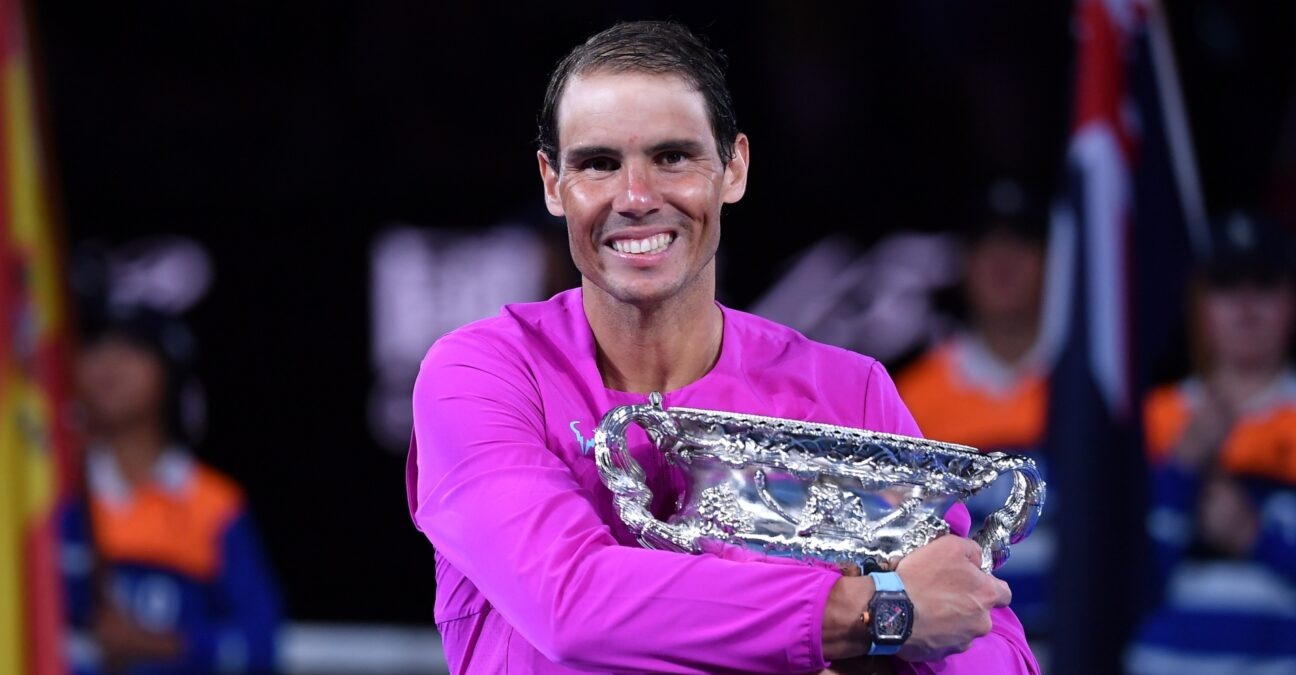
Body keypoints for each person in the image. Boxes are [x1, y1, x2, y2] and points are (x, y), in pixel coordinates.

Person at [406, 21, 1038, 673]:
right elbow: (569, 601)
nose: (637, 198)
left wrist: (924, 634)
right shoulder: (483, 375)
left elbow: (976, 624)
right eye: (599, 163)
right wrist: (878, 613)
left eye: (672, 157)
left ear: (733, 168)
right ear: (551, 182)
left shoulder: (849, 393)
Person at [60, 306, 282, 674]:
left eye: (133, 346)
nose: (109, 362)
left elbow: (259, 646)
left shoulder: (213, 503)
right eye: (95, 345)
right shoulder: (52, 497)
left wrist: (158, 644)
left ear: (170, 371)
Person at [1126, 212, 1296, 674]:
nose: (1245, 304)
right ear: (1199, 305)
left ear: (1290, 301)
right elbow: (1115, 587)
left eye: (1263, 282)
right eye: (1225, 284)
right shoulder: (1150, 419)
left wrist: (1257, 538)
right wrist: (1180, 471)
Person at [896, 211, 1054, 635]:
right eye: (986, 244)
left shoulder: (1091, 391)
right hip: (959, 645)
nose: (1003, 261)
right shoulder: (911, 397)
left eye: (1021, 244)